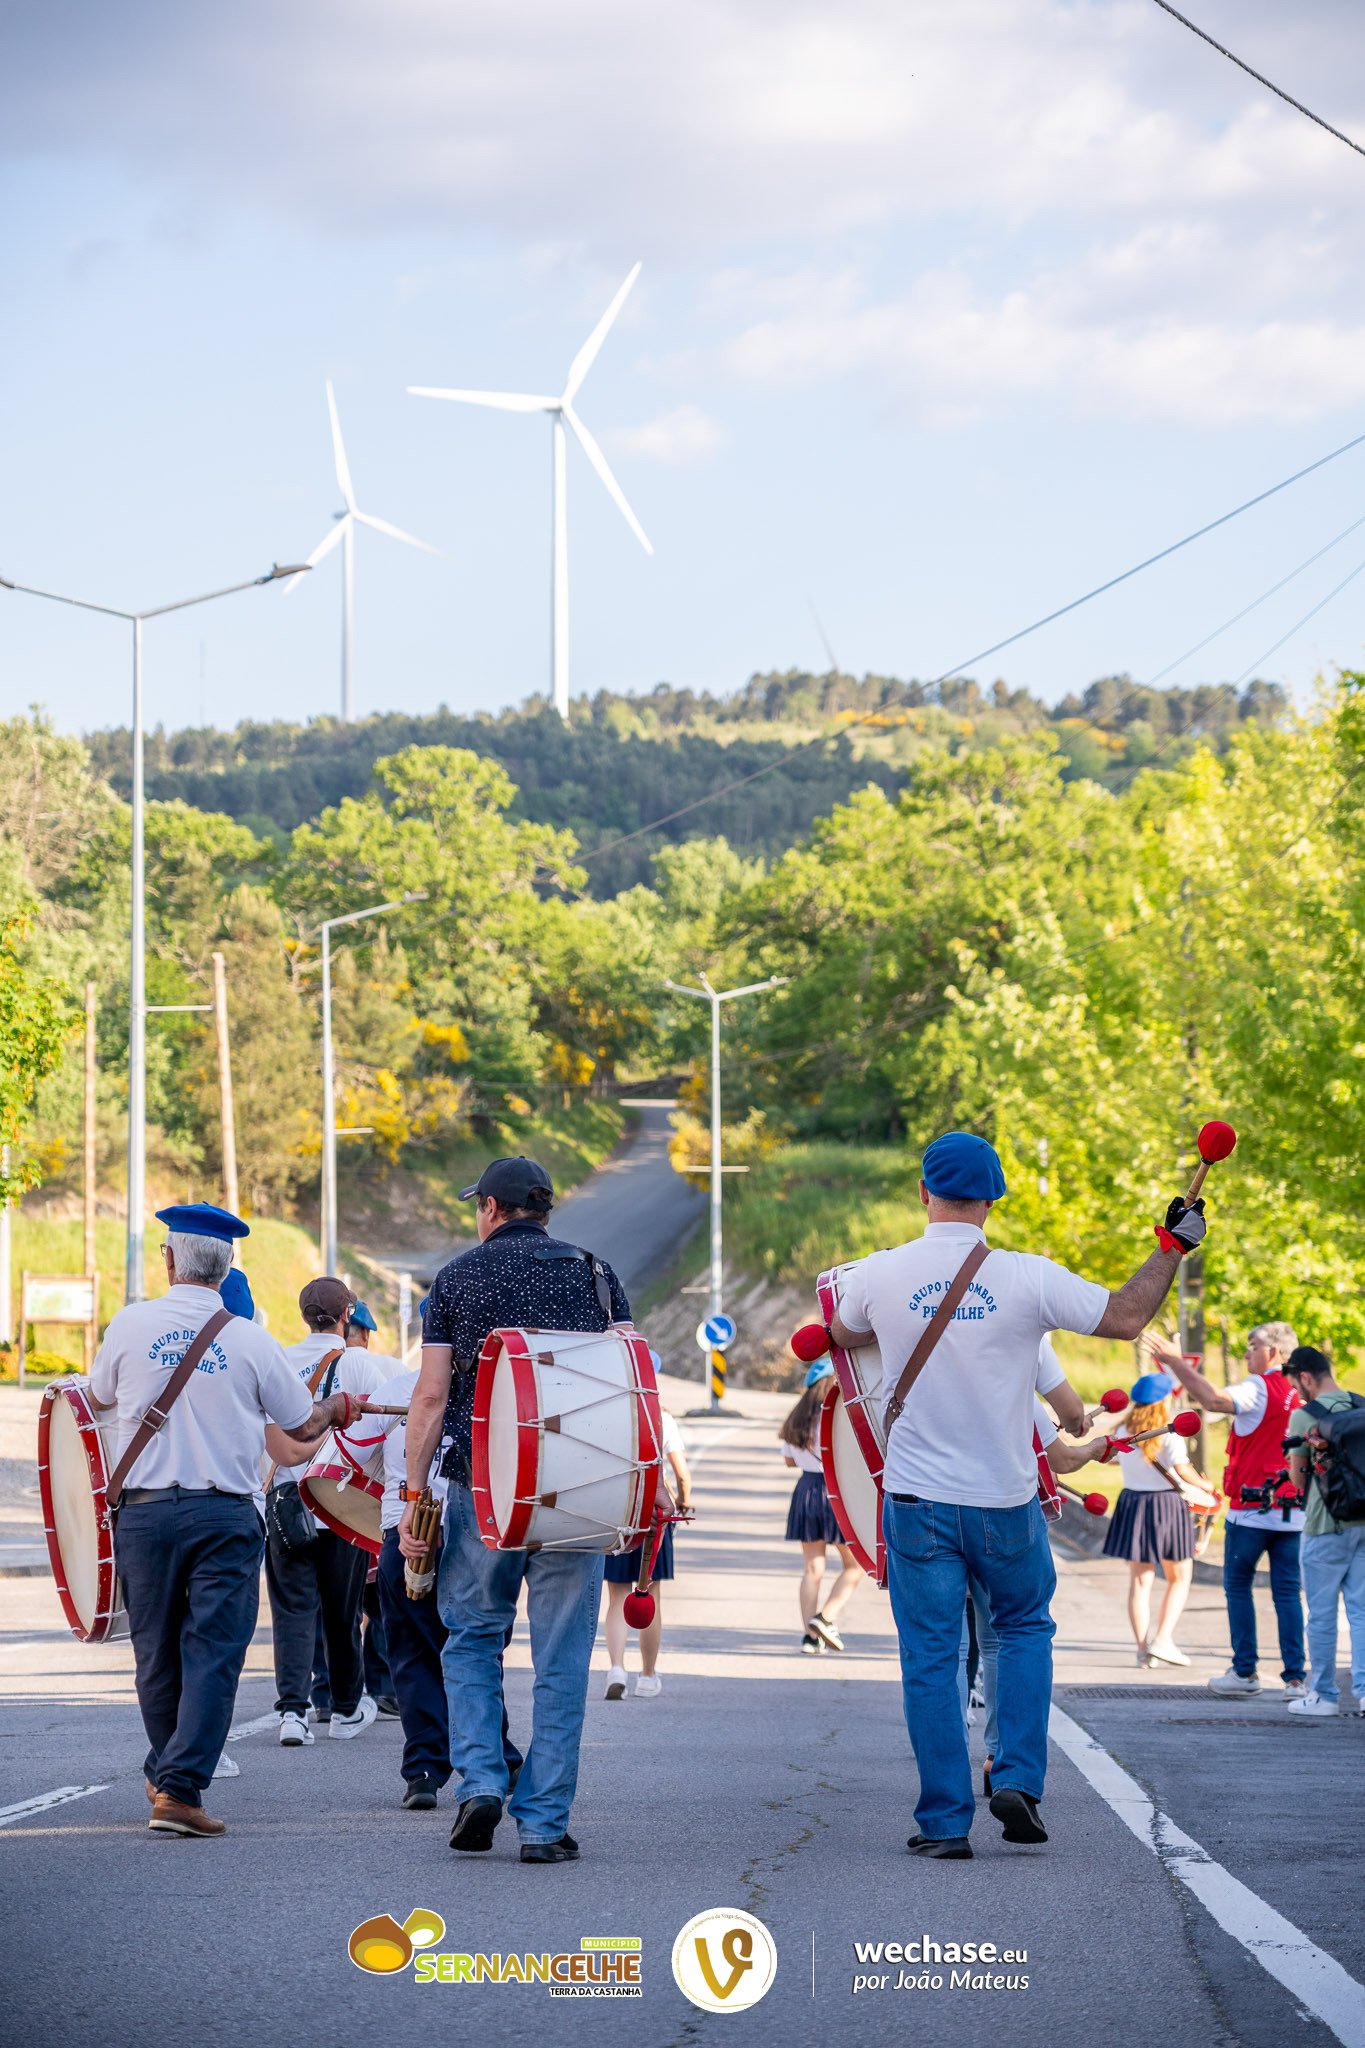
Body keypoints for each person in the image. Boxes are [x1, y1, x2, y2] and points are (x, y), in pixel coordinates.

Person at [828, 1128, 1205, 1859]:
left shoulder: (876, 1274)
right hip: (1004, 1500)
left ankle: (944, 1824)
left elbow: (839, 1337)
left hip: (916, 1503)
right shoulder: (1027, 1278)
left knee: (931, 1658)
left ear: (922, 1193)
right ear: (993, 1200)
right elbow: (1127, 1316)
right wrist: (1171, 1246)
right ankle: (1018, 1780)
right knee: (1024, 1629)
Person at [89, 1203, 358, 1838]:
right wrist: (336, 1408)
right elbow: (300, 1427)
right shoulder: (249, 1339)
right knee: (213, 1652)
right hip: (224, 1513)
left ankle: (169, 1776)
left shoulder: (128, 1325)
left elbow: (93, 1400)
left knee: (155, 1651)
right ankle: (178, 1788)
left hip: (144, 1513)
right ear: (227, 1266)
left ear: (169, 1260)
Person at [399, 1155, 632, 1865]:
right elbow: (627, 1384)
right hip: (577, 1492)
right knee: (561, 1658)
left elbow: (431, 1396)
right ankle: (544, 1826)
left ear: (491, 1209)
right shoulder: (595, 1274)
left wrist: (413, 1496)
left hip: (485, 1488)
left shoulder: (456, 1278)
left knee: (472, 1637)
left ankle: (479, 1783)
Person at [366, 1361, 523, 1807]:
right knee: (479, 1649)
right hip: (477, 1535)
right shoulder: (496, 1392)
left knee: (413, 1656)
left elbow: (348, 1463)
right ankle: (501, 1759)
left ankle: (424, 1772)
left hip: (405, 1532)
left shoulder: (394, 1390)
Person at [263, 1277, 395, 1747]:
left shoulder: (279, 1359)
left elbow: (270, 1432)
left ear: (304, 1316)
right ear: (346, 1316)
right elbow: (386, 1427)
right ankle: (344, 1709)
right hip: (340, 1502)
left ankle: (292, 1713)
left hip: (288, 1504)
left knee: (292, 1611)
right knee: (342, 1612)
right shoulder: (358, 1363)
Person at [1152, 1326, 1308, 1700]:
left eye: (1253, 1347)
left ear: (1274, 1352)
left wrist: (1175, 1362)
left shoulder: (1259, 1387)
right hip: (1294, 1511)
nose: (1246, 1354)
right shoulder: (1303, 1390)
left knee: (1238, 1587)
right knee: (1288, 1593)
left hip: (1251, 1511)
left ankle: (1244, 1671)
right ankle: (1296, 1679)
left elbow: (1213, 1399)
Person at [1283, 1346, 1365, 1719]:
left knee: (1321, 1614)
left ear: (1305, 1377)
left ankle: (1324, 1695)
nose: (1297, 1393)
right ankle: (1364, 1692)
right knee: (1361, 1612)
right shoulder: (1361, 1404)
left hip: (1325, 1525)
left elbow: (1300, 1481)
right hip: (1363, 1522)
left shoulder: (1304, 1416)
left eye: (1295, 1385)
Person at [1100, 1369, 1199, 1669]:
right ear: (1164, 1399)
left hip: (1134, 1504)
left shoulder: (1123, 1431)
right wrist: (1207, 1487)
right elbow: (1183, 1470)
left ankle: (1143, 1651)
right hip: (1166, 1505)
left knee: (1140, 1582)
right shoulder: (1170, 1432)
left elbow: (1112, 1459)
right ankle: (1163, 1640)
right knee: (1179, 1577)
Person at [602, 1394, 691, 1697]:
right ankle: (648, 1676)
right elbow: (682, 1475)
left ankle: (616, 1668)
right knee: (650, 1594)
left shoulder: (612, 1413)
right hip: (655, 1514)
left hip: (619, 1511)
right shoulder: (663, 1419)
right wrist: (685, 1501)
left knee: (617, 1596)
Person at [778, 1362, 864, 1654]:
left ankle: (809, 1637)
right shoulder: (838, 1416)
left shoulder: (797, 1418)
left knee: (812, 1568)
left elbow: (789, 1460)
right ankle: (825, 1617)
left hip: (805, 1491)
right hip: (835, 1491)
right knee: (855, 1565)